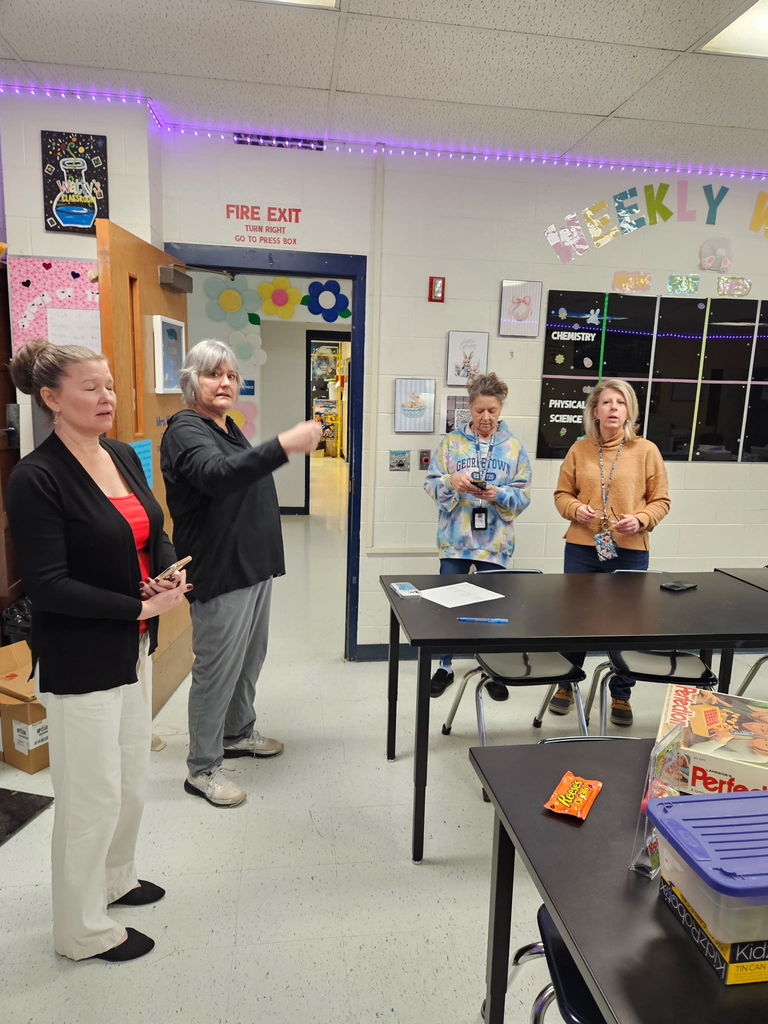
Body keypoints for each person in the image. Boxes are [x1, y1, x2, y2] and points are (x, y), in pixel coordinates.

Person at [5, 340, 190, 963]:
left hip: (132, 645)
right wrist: (138, 607)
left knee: (131, 778)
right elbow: (50, 586)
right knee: (90, 794)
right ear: (51, 399)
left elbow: (153, 528)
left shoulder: (117, 453)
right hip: (82, 656)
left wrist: (164, 572)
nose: (106, 397)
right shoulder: (36, 478)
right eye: (90, 388)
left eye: (109, 385)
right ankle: (80, 930)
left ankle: (116, 878)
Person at [160, 339, 321, 808]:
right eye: (214, 374)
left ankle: (237, 732)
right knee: (217, 669)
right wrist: (285, 445)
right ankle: (203, 768)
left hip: (252, 568)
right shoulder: (186, 428)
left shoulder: (226, 426)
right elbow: (217, 475)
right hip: (220, 571)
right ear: (192, 380)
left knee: (249, 660)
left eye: (230, 375)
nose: (225, 382)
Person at [553, 377, 670, 726]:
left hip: (630, 549)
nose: (613, 408)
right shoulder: (579, 450)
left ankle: (621, 692)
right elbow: (562, 495)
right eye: (606, 402)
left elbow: (661, 501)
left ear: (629, 410)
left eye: (620, 402)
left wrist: (641, 519)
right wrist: (577, 510)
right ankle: (567, 682)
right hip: (582, 547)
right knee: (576, 619)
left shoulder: (646, 450)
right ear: (595, 411)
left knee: (625, 623)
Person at [424, 372, 531, 700]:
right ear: (469, 409)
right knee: (448, 607)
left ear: (501, 409)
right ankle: (444, 665)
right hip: (456, 543)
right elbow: (431, 483)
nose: (486, 418)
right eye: (479, 411)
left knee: (492, 611)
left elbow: (523, 494)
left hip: (494, 545)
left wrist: (498, 494)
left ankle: (492, 667)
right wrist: (450, 482)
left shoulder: (514, 447)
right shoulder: (451, 443)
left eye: (492, 411)